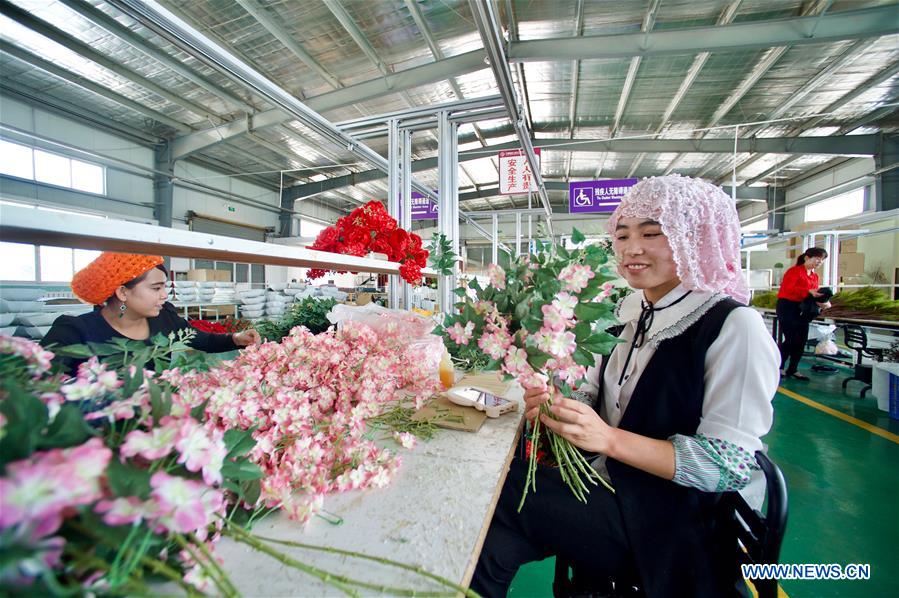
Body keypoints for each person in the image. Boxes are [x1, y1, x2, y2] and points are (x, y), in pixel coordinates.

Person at [471, 175, 780, 598]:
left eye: (652, 233)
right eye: (622, 235)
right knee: (489, 548)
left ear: (698, 238)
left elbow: (727, 466)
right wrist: (559, 406)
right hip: (610, 492)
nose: (631, 248)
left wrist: (609, 439)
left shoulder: (733, 326)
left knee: (496, 487)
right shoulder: (630, 313)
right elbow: (597, 397)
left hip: (670, 526)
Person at [42, 252, 260, 374]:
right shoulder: (74, 332)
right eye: (156, 288)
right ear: (122, 292)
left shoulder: (164, 319)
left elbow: (202, 340)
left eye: (165, 287)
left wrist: (236, 338)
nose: (165, 295)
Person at [776, 247, 831, 380]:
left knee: (801, 339)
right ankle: (779, 367)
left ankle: (793, 369)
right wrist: (808, 291)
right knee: (790, 339)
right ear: (807, 257)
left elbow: (813, 294)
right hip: (787, 307)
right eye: (817, 259)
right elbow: (789, 288)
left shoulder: (814, 276)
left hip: (803, 309)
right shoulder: (794, 271)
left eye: (821, 260)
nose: (819, 262)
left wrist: (822, 302)